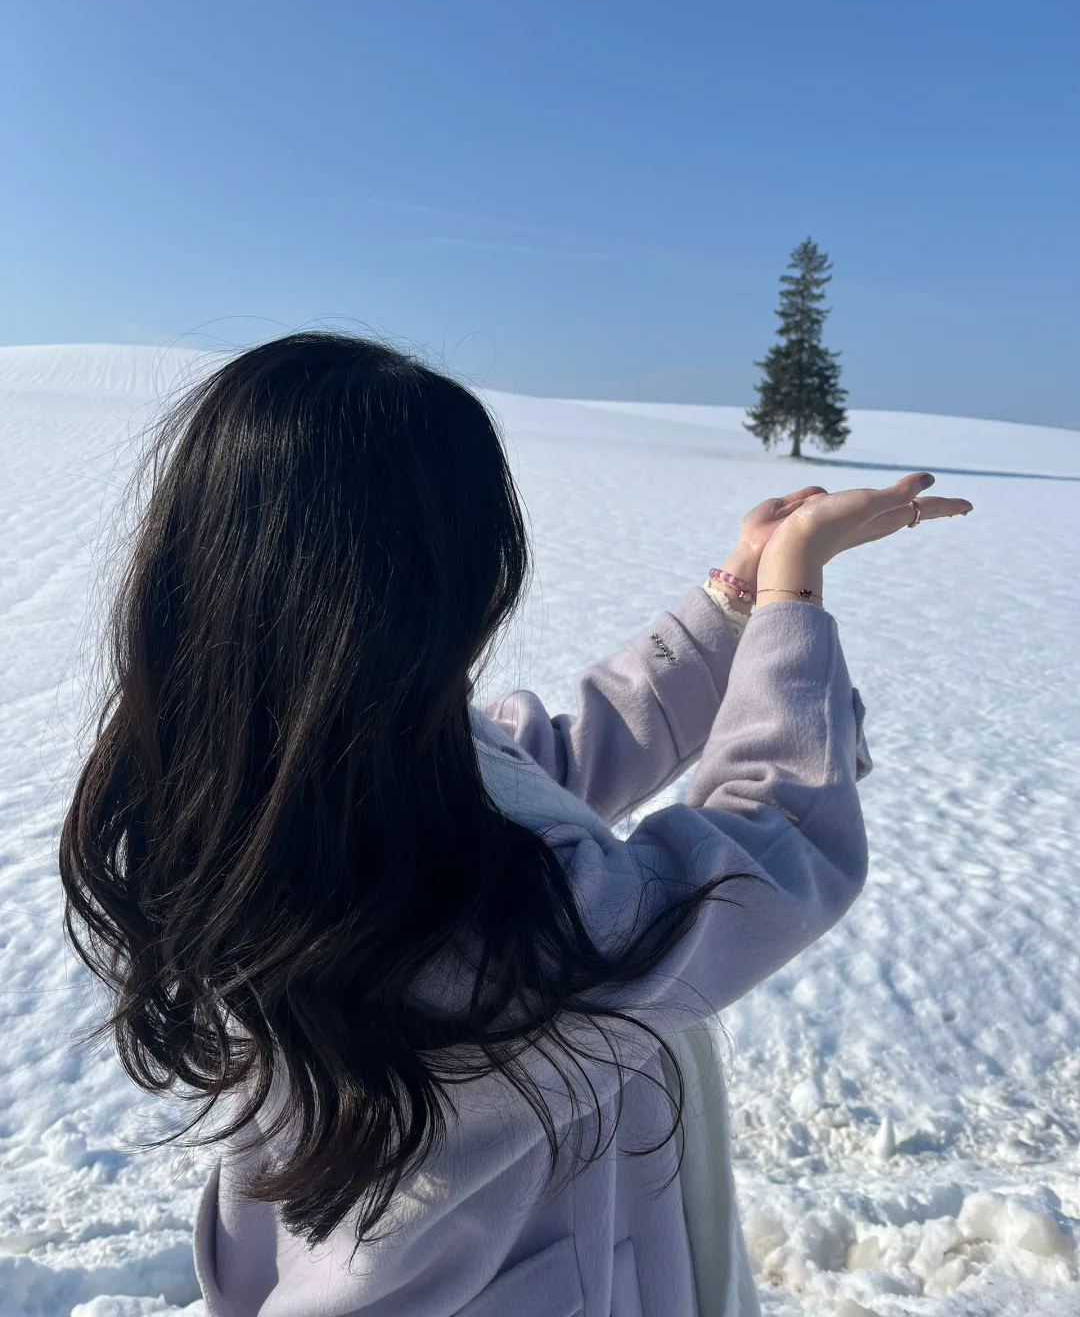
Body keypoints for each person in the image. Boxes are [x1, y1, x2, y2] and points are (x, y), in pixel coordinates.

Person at [59, 333, 972, 1317]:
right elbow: (771, 847)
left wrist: (733, 600)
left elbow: (554, 766)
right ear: (427, 599)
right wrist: (795, 593)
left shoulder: (247, 803)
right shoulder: (497, 944)